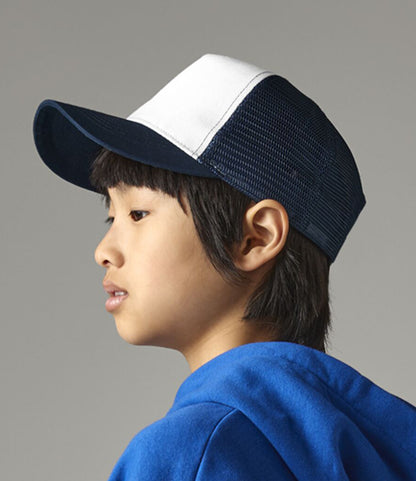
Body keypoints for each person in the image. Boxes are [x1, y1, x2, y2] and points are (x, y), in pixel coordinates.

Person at [32, 53, 416, 480]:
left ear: (255, 238)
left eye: (138, 214)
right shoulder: (378, 445)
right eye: (112, 218)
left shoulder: (190, 452)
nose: (104, 251)